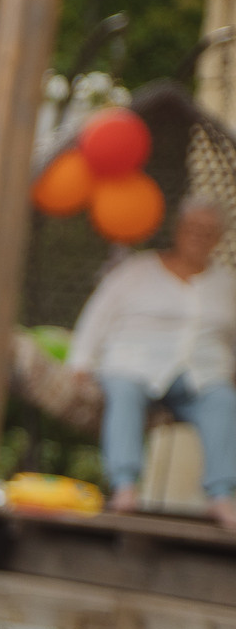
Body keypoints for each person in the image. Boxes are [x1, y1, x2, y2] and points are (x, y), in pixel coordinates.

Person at [67, 196, 236, 528]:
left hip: (201, 376)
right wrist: (80, 363)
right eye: (193, 228)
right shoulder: (137, 270)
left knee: (224, 401)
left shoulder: (227, 285)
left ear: (218, 238)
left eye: (208, 231)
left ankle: (221, 495)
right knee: (124, 392)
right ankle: (125, 485)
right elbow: (97, 315)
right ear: (178, 229)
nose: (199, 236)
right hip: (134, 365)